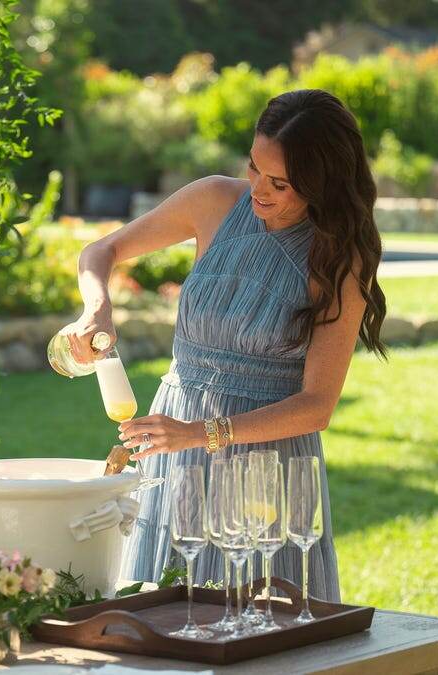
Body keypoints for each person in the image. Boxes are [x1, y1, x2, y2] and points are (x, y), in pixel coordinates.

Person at [66, 89, 388, 600]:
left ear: (321, 183)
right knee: (163, 613)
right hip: (175, 446)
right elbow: (101, 251)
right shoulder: (214, 201)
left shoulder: (337, 260)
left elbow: (317, 406)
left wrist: (200, 434)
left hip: (263, 468)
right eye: (254, 167)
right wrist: (96, 308)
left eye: (280, 183)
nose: (258, 189)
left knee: (258, 624)